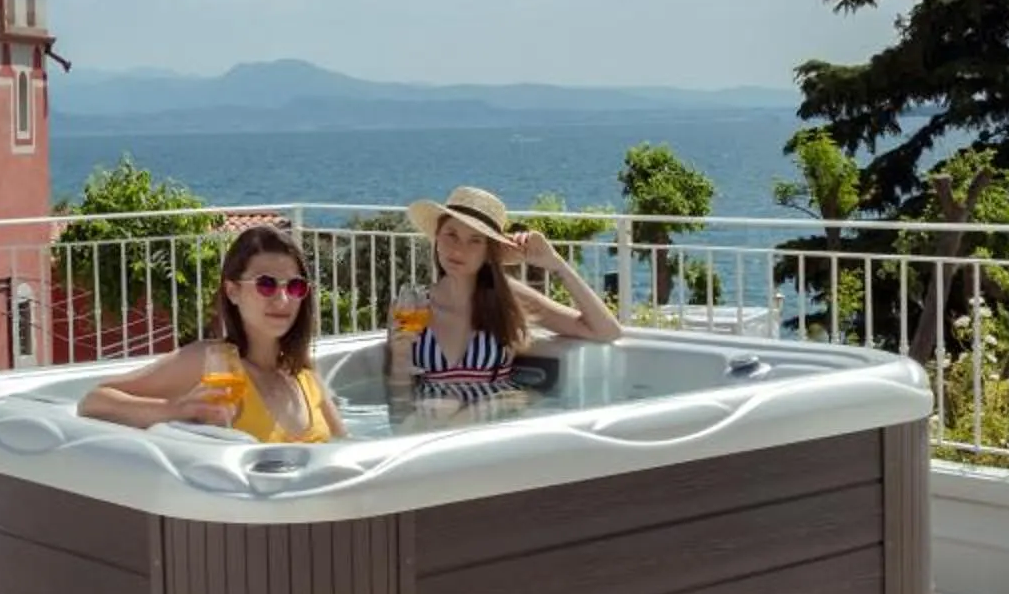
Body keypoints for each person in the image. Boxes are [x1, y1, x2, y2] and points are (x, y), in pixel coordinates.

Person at [78, 224, 347, 443]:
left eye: (295, 287)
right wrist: (176, 410)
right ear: (232, 291)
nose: (283, 299)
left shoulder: (305, 374)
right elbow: (94, 401)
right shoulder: (212, 364)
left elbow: (346, 448)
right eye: (266, 285)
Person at [388, 184, 620, 401]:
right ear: (437, 237)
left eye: (475, 241)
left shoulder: (507, 297)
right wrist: (399, 359)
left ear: (489, 251)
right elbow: (398, 395)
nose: (459, 249)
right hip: (432, 430)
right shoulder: (412, 306)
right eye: (451, 235)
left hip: (494, 423)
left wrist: (557, 264)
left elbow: (606, 331)